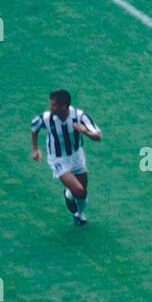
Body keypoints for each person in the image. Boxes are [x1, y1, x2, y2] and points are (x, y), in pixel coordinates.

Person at [31, 89, 101, 227]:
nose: (51, 108)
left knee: (82, 193)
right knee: (79, 190)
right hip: (58, 159)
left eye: (54, 105)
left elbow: (98, 136)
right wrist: (35, 149)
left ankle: (79, 214)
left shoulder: (79, 116)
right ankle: (69, 194)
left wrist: (85, 131)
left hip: (76, 156)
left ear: (64, 106)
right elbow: (35, 127)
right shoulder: (47, 117)